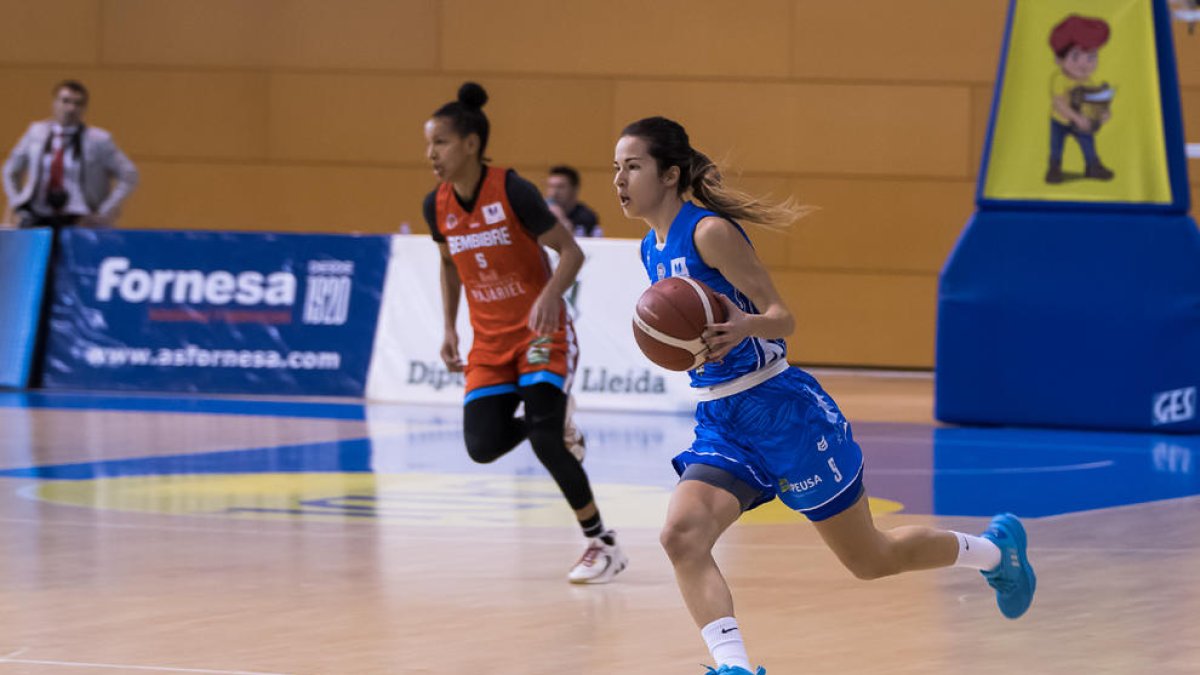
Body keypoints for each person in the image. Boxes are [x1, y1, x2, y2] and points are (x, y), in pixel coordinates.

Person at [613, 116, 1036, 674]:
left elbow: (783, 318)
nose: (620, 179)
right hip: (722, 417)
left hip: (783, 411)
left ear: (669, 174)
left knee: (870, 559)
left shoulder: (708, 232)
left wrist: (743, 326)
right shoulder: (650, 247)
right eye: (616, 168)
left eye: (633, 166)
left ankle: (993, 553)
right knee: (681, 536)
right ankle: (734, 666)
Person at [422, 82, 627, 584]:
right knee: (482, 445)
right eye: (428, 145)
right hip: (489, 341)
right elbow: (450, 264)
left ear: (470, 143)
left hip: (542, 333)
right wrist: (449, 327)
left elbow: (572, 252)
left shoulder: (513, 190)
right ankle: (555, 424)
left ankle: (602, 544)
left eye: (440, 143)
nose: (431, 155)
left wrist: (549, 295)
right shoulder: (438, 205)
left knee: (542, 439)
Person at [3, 80, 139, 229]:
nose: (71, 108)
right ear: (54, 103)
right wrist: (16, 202)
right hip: (37, 215)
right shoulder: (36, 133)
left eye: (77, 103)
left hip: (80, 218)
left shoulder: (99, 140)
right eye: (65, 101)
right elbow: (10, 170)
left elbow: (129, 174)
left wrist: (104, 212)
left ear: (84, 108)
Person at [1046, 15, 1113, 183]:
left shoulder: (1088, 82)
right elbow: (1059, 103)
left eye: (1091, 57)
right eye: (1075, 56)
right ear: (1059, 59)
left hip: (1082, 121)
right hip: (1060, 120)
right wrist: (1076, 118)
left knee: (1088, 143)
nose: (1084, 64)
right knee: (1056, 146)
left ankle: (1093, 166)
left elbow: (1094, 101)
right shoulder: (1060, 79)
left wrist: (1103, 114)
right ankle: (1054, 168)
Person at [544, 165, 602, 237]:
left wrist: (561, 219)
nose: (553, 193)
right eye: (550, 186)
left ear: (574, 189)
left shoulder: (586, 217)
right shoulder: (541, 212)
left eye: (560, 187)